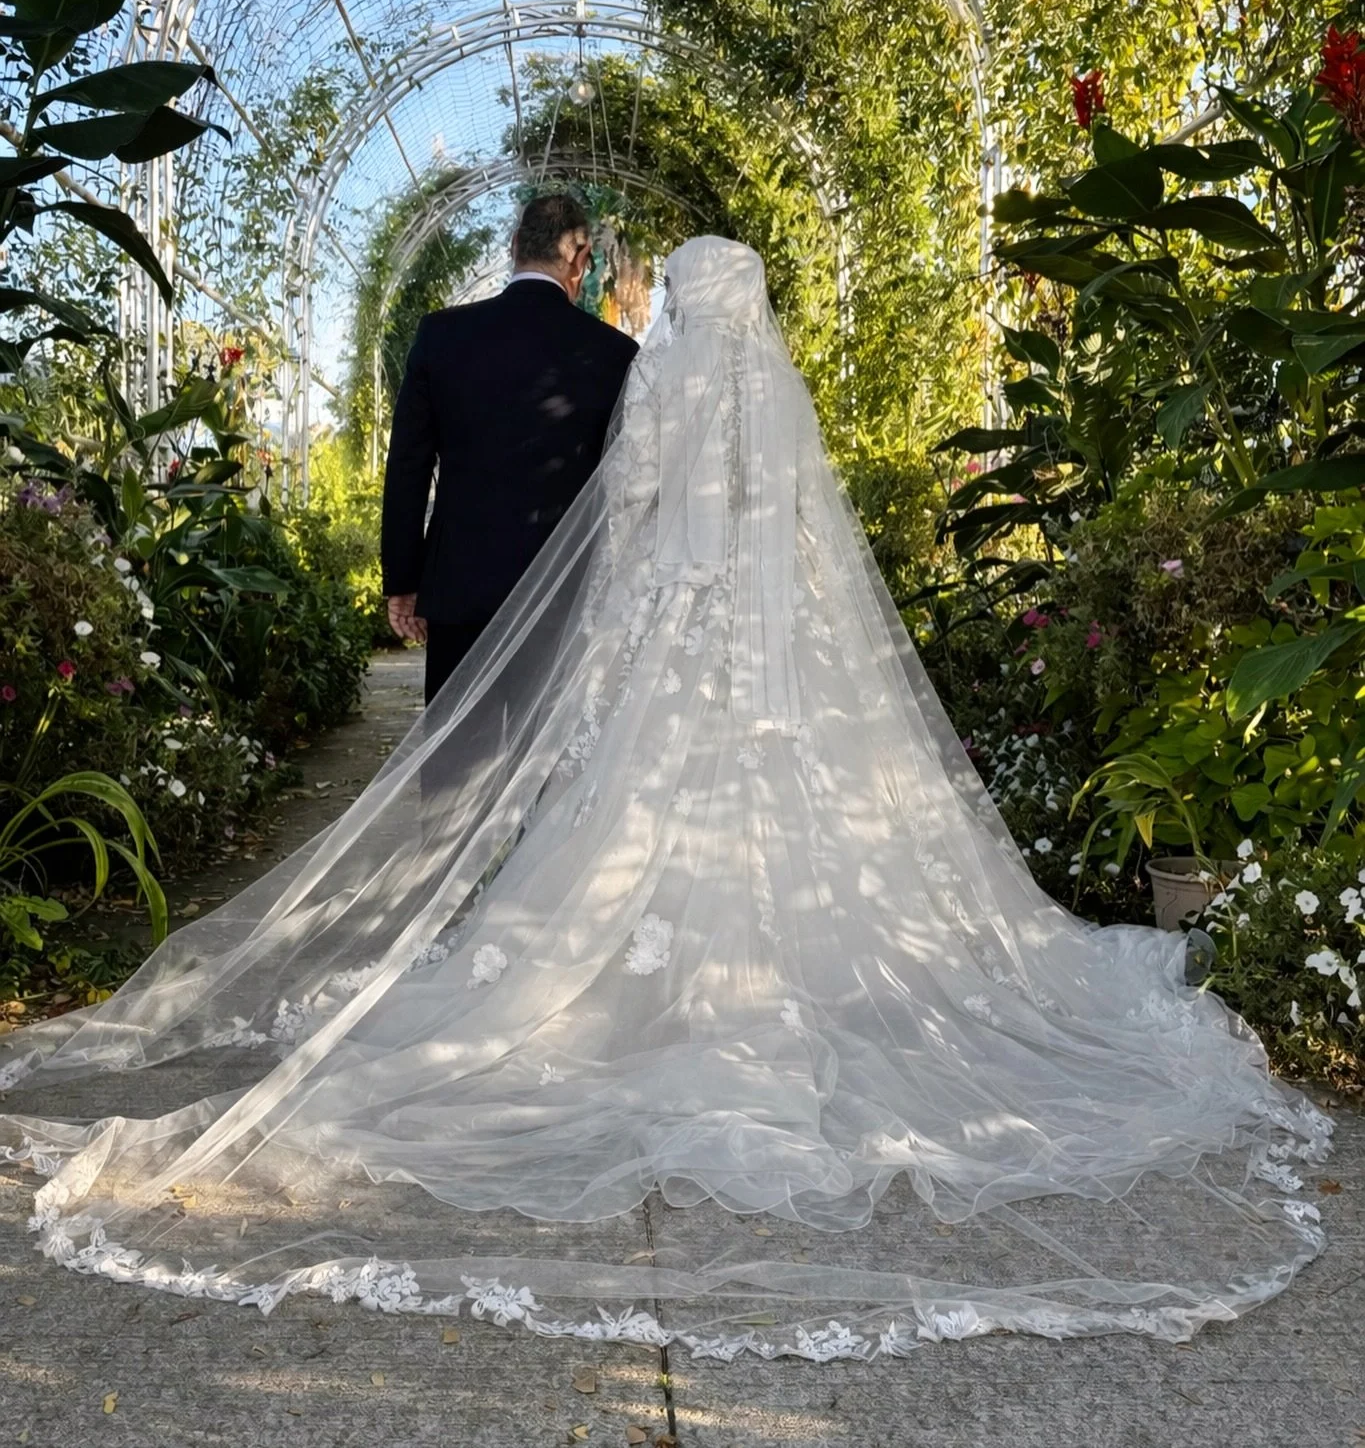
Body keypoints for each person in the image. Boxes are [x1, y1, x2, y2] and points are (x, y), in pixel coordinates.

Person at [0, 236, 1334, 1361]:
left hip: (674, 642)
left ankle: (625, 989)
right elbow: (807, 536)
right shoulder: (772, 391)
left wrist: (630, 624)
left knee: (617, 820)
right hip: (771, 648)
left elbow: (631, 508)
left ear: (690, 299)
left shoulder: (664, 373)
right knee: (787, 813)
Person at [381, 192, 638, 703]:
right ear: (581, 259)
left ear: (515, 245)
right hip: (564, 595)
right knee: (547, 749)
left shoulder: (441, 336)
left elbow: (409, 465)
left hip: (461, 590)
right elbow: (624, 477)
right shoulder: (615, 354)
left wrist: (403, 582)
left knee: (455, 749)